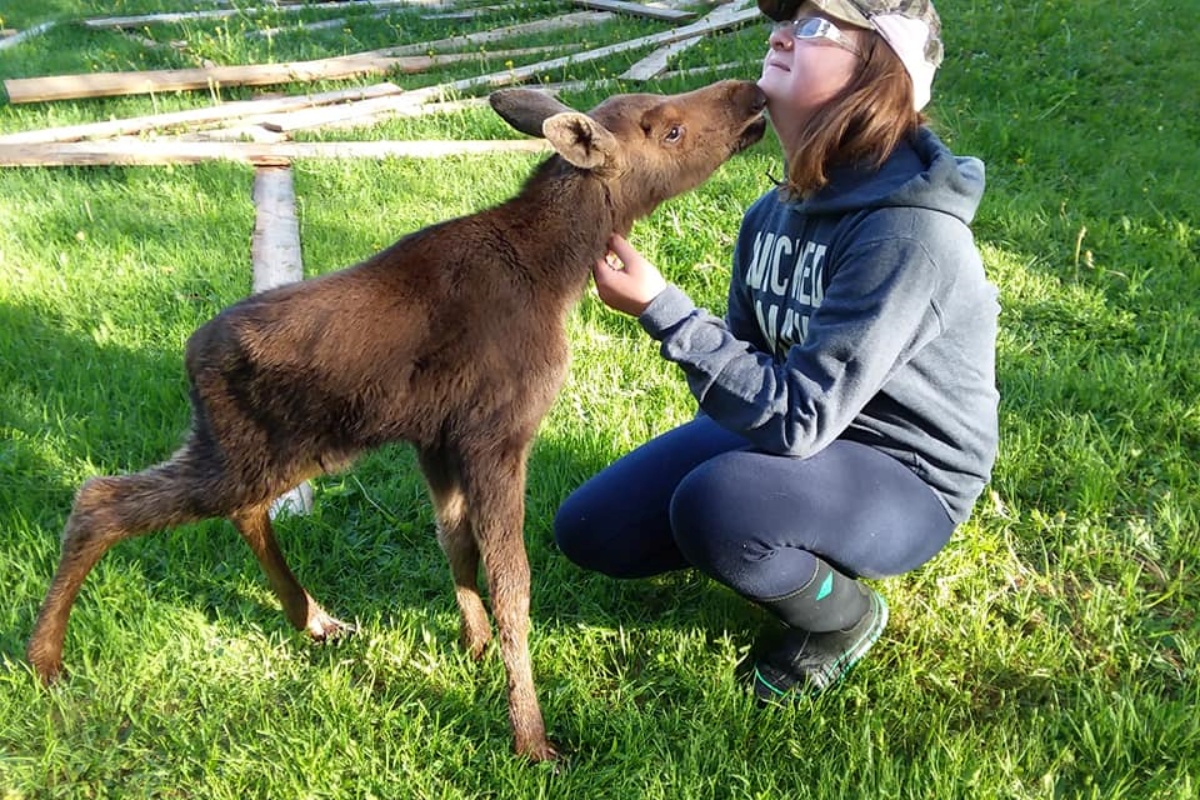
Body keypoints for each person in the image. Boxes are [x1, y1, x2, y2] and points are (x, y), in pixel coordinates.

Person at [553, 0, 1000, 701]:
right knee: (589, 531)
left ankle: (839, 618)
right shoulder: (772, 215)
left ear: (881, 73)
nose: (782, 34)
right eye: (785, 19)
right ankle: (765, 527)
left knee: (720, 506)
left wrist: (664, 312)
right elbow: (745, 367)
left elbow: (798, 420)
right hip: (811, 438)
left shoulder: (909, 237)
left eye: (817, 26)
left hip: (905, 475)